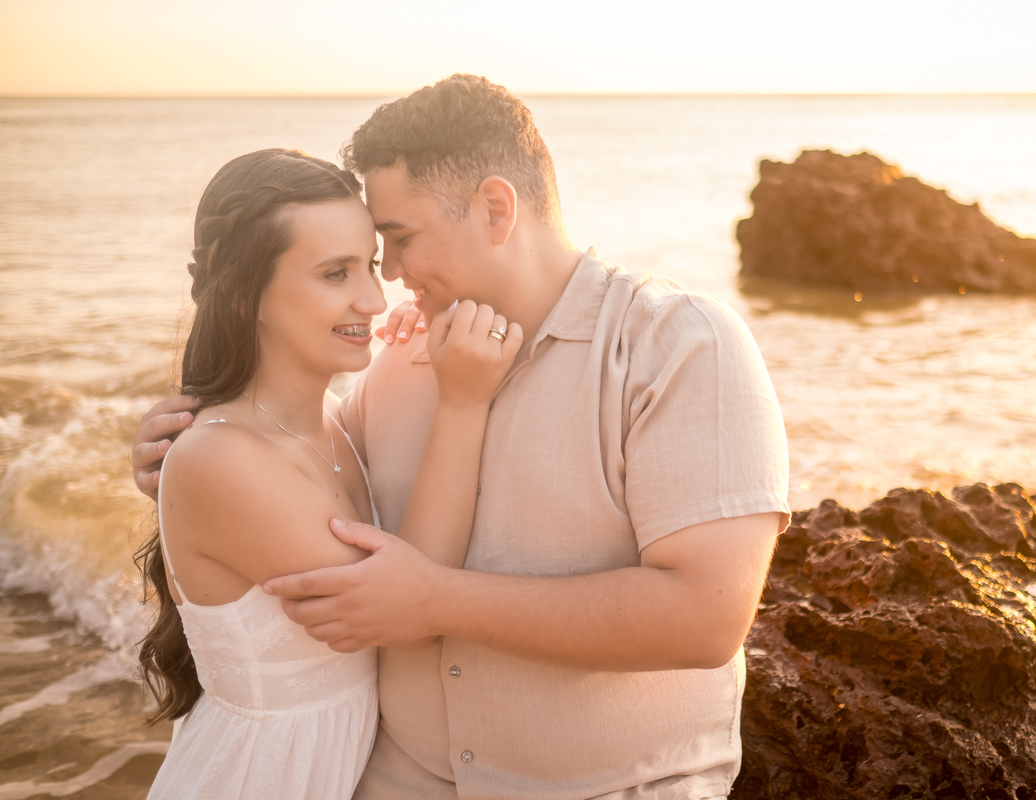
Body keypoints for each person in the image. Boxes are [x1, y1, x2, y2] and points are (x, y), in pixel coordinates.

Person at [133, 75, 790, 799]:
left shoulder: (678, 346)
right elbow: (289, 471)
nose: (388, 282)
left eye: (398, 241)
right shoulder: (400, 358)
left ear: (495, 210)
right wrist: (180, 454)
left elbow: (705, 619)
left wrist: (440, 600)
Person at [134, 148, 520, 800]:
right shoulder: (217, 458)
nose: (374, 298)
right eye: (336, 273)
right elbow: (408, 606)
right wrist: (463, 401)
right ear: (245, 293)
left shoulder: (339, 420)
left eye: (370, 264)